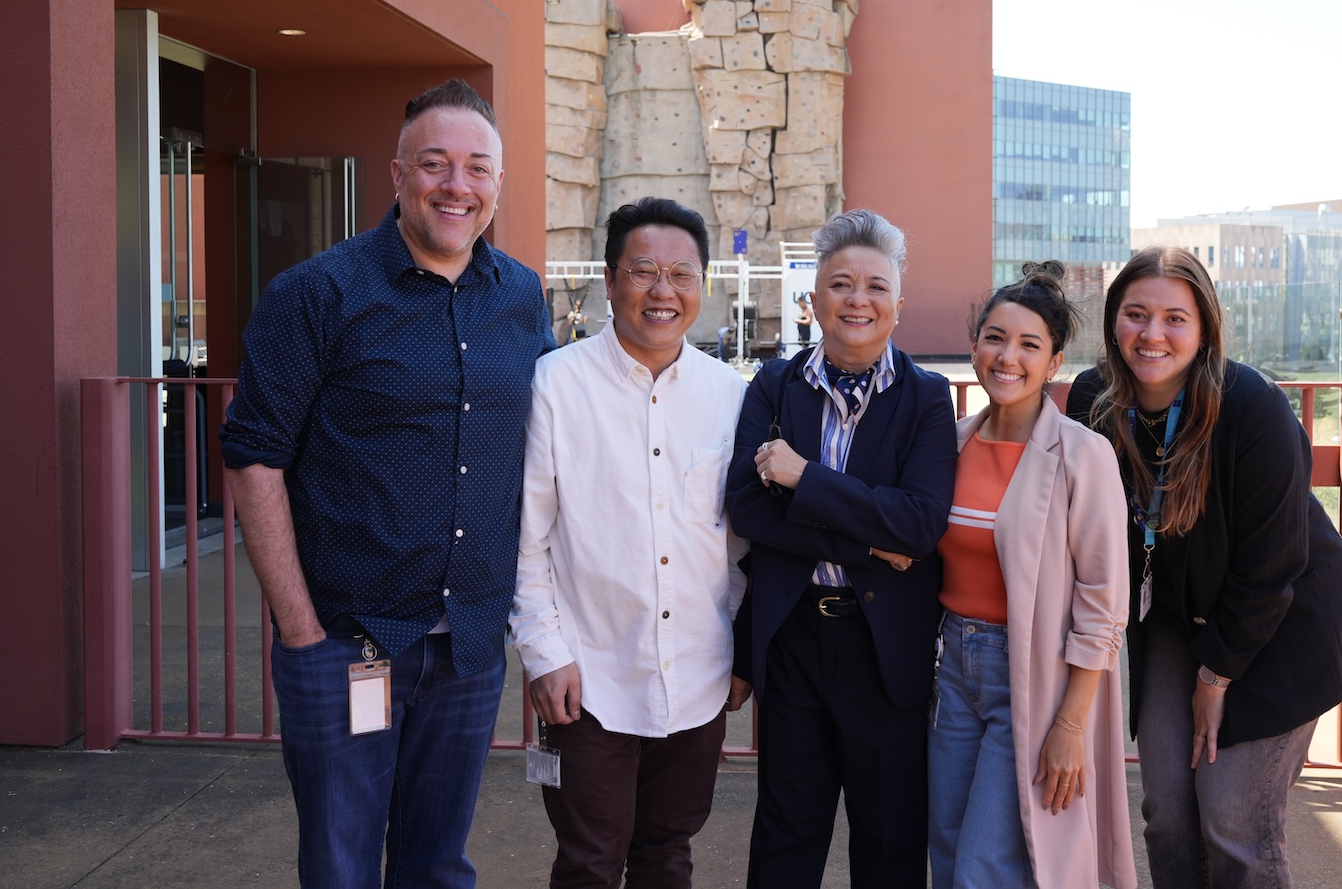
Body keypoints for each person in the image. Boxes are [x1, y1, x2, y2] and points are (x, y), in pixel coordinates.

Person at [220, 78, 554, 888]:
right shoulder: (318, 293)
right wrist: (301, 635)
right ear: (396, 174)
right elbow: (253, 456)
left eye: (477, 168)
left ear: (498, 185)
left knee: (437, 864)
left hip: (470, 647)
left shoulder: (520, 294)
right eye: (435, 164)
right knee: (342, 866)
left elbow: (549, 449)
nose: (456, 185)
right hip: (351, 643)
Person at [1066, 246, 1342, 889]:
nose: (1152, 334)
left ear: (1205, 329)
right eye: (1136, 314)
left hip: (1284, 623)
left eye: (1175, 318)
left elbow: (1272, 564)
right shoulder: (1093, 399)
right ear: (1114, 321)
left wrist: (1214, 678)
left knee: (1233, 819)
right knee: (1167, 813)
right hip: (1179, 616)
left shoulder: (1250, 405)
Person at [509, 197, 751, 888]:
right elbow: (530, 538)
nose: (662, 290)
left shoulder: (728, 395)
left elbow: (738, 547)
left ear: (703, 285)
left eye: (681, 273)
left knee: (667, 852)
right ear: (610, 280)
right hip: (588, 677)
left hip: (698, 673)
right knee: (588, 860)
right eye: (643, 271)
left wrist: (739, 649)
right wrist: (543, 653)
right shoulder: (556, 383)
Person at [727, 208, 957, 889]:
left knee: (890, 840)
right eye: (841, 284)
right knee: (786, 832)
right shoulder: (774, 385)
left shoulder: (925, 397)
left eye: (875, 286)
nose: (858, 299)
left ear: (897, 304)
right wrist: (868, 542)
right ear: (814, 297)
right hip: (794, 635)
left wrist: (803, 477)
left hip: (884, 646)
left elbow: (917, 526)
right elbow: (744, 506)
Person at [930, 263, 1137, 889]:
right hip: (950, 669)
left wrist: (1071, 725)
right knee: (944, 843)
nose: (1007, 356)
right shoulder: (951, 442)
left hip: (1032, 673)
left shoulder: (1082, 454)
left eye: (1028, 345)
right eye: (994, 337)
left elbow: (1104, 601)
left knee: (987, 865)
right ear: (973, 347)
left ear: (1054, 363)